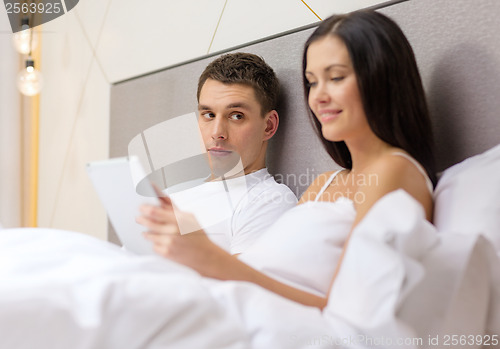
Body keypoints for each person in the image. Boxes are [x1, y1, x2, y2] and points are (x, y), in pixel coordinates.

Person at [137, 10, 436, 309]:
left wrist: (207, 256)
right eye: (312, 82)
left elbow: (349, 310)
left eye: (335, 78)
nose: (318, 96)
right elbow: (266, 272)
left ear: (380, 80)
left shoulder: (392, 170)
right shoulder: (324, 184)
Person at [160, 52, 297, 255]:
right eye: (208, 115)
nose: (217, 133)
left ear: (268, 126)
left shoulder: (269, 200)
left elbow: (241, 285)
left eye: (236, 116)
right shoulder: (172, 194)